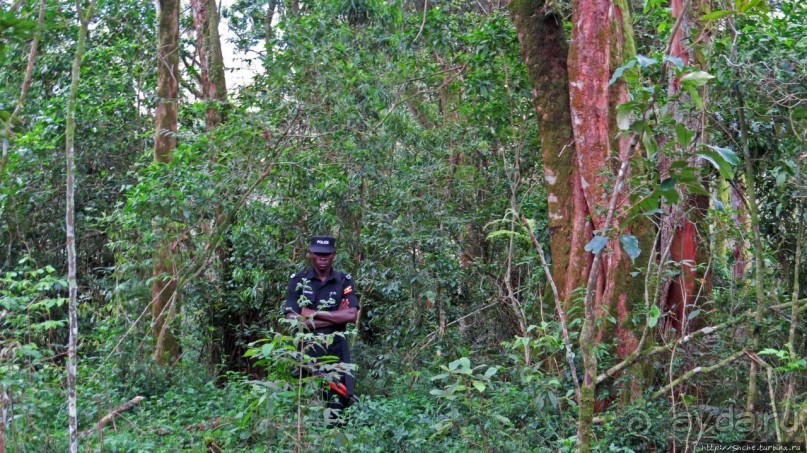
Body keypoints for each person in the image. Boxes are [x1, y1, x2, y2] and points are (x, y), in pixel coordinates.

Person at [283, 235, 360, 413]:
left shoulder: (343, 280)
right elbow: (293, 318)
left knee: (339, 401)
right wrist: (336, 315)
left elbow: (351, 315)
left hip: (337, 350)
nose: (322, 258)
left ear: (334, 254)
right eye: (318, 254)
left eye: (327, 254)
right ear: (311, 254)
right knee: (304, 402)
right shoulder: (299, 280)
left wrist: (311, 314)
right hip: (306, 350)